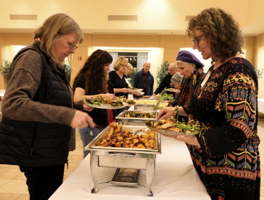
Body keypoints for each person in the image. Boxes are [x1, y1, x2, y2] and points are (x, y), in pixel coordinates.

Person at [157, 8, 260, 200]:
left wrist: (195, 138)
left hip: (230, 171)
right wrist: (176, 110)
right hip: (209, 163)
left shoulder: (239, 71)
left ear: (217, 35)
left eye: (198, 39)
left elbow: (239, 128)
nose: (195, 46)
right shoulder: (215, 68)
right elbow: (205, 108)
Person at [0, 13, 95, 200]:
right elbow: (13, 104)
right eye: (70, 44)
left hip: (48, 150)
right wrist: (66, 115)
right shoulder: (32, 57)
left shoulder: (49, 62)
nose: (73, 51)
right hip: (37, 153)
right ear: (53, 35)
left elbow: (48, 99)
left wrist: (77, 106)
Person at [73, 49, 115, 158]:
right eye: (106, 65)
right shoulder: (83, 78)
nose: (108, 68)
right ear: (97, 64)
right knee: (90, 152)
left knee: (102, 152)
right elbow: (77, 98)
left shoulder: (100, 80)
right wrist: (101, 96)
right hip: (89, 123)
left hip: (101, 121)